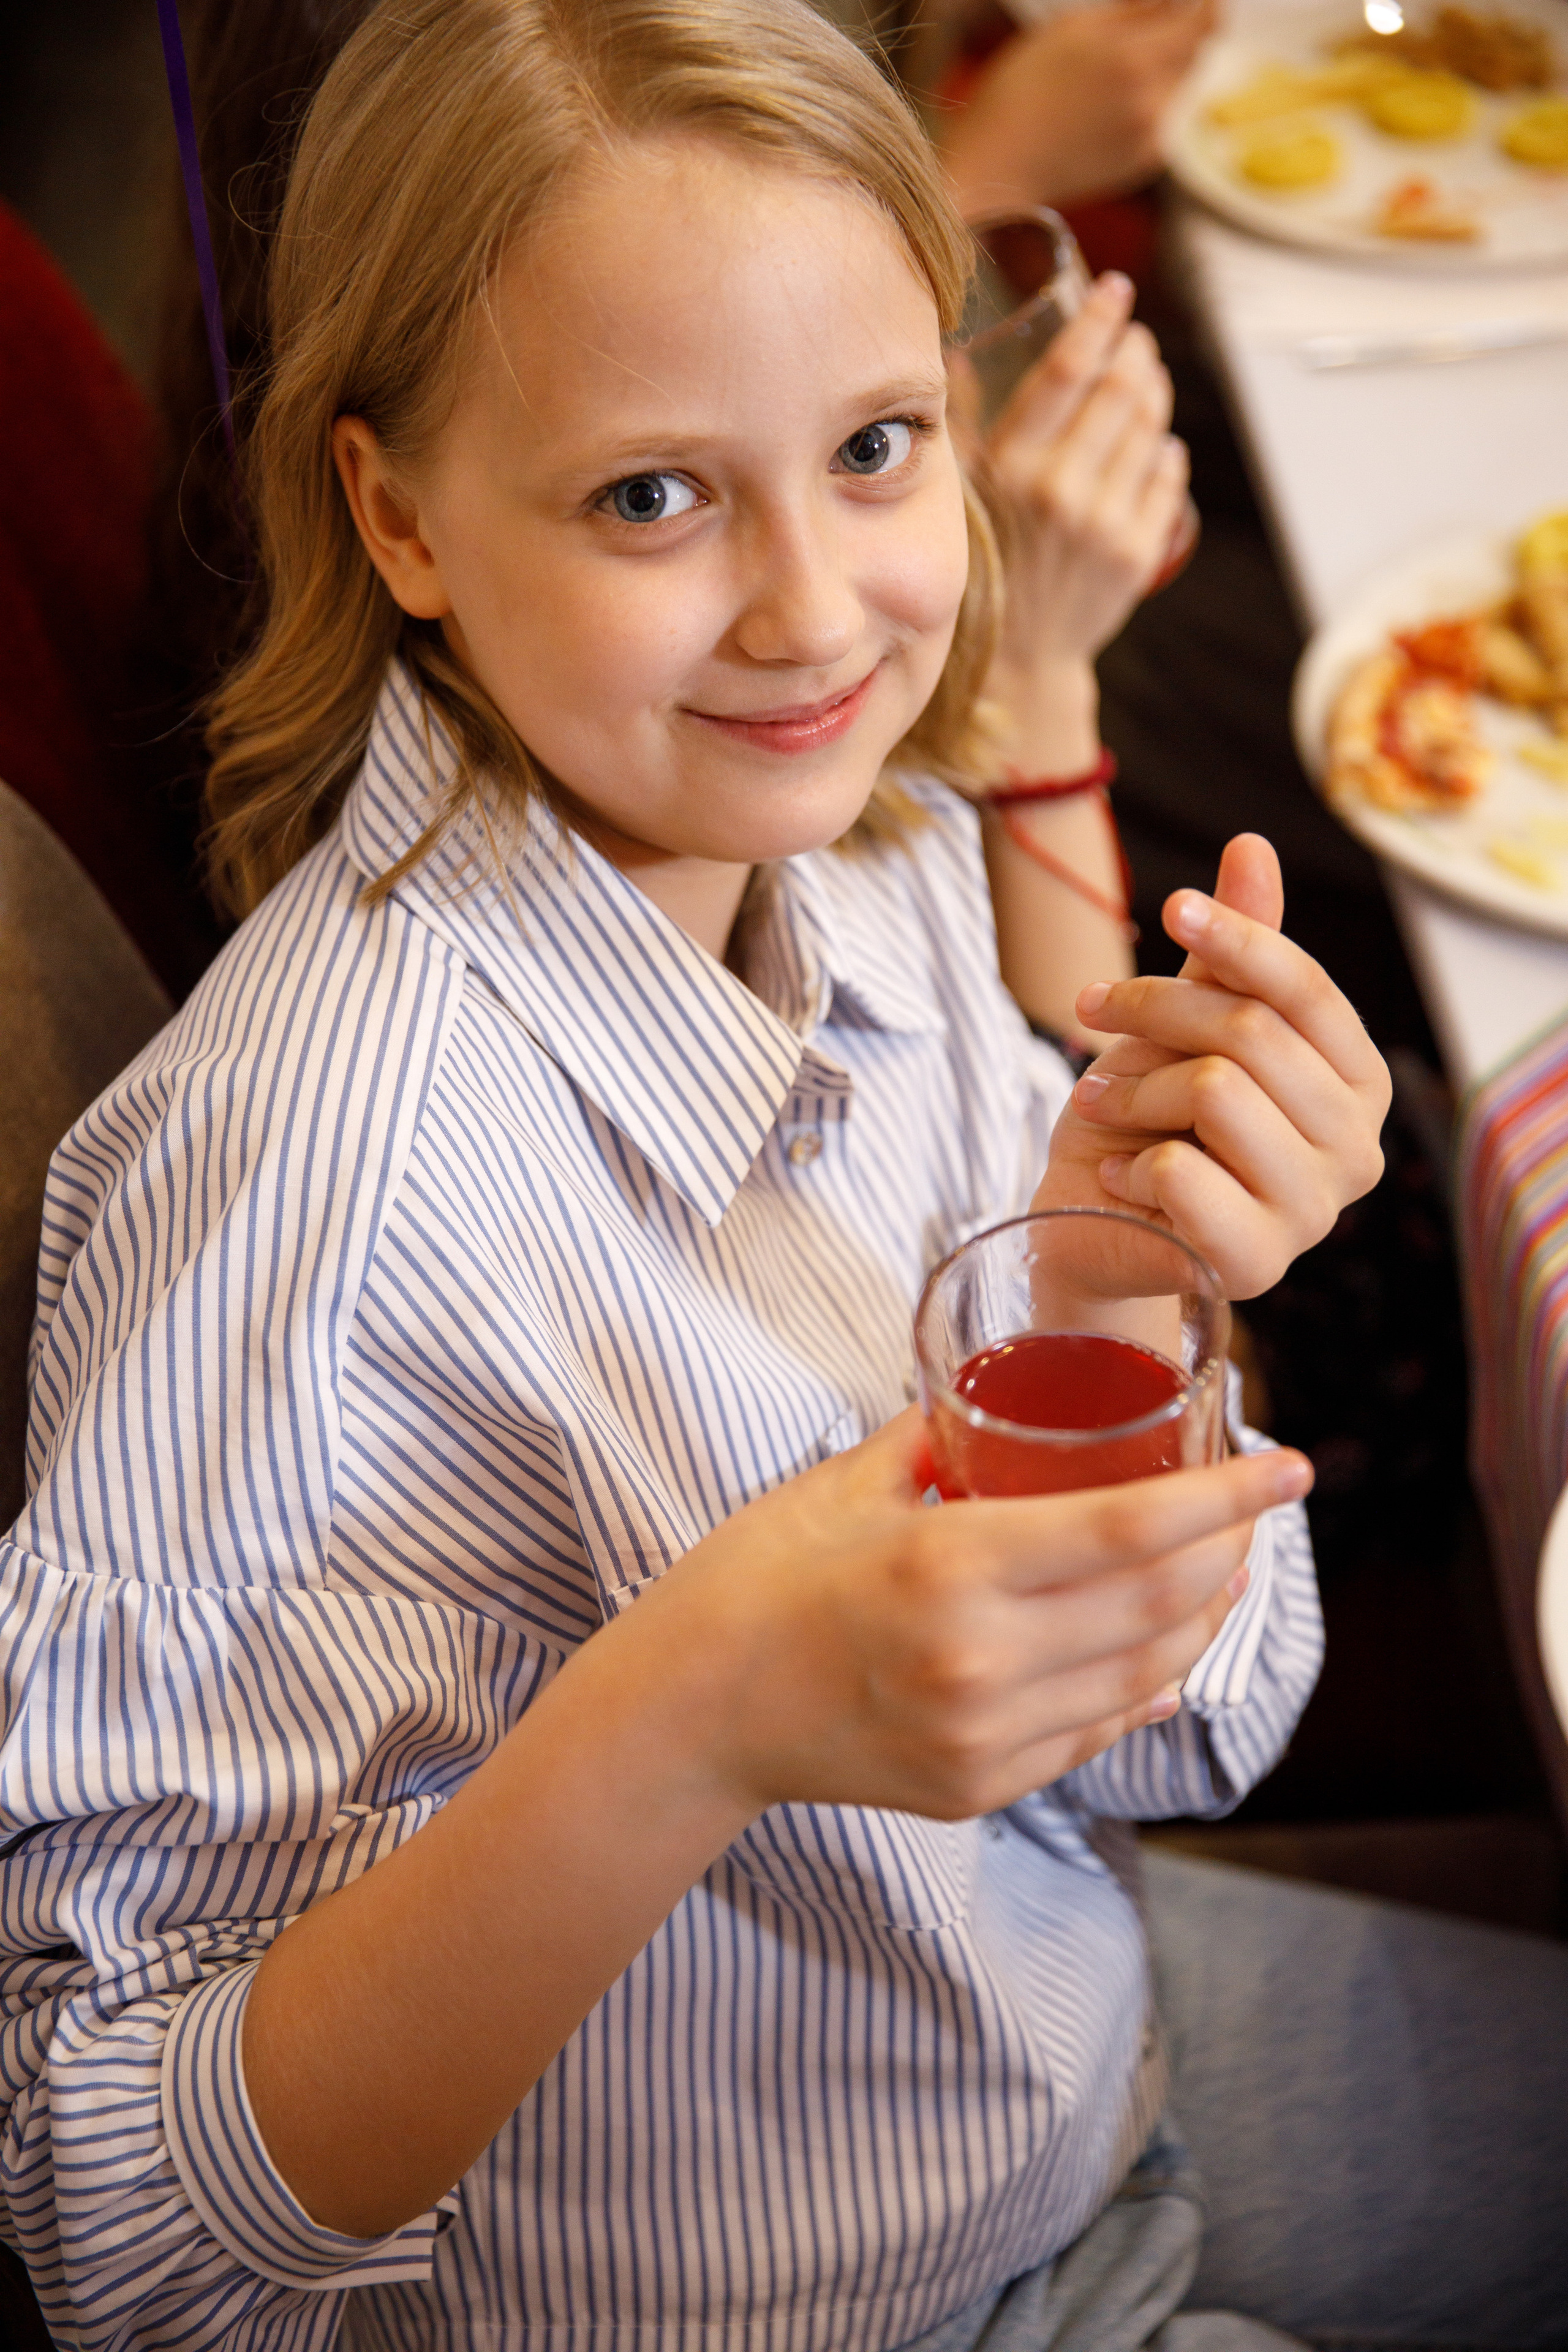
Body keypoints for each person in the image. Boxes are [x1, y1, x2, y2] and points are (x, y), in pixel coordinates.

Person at [0, 6, 1560, 2350]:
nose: (820, 612)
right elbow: (113, 2225)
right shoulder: (317, 1187)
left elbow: (1167, 1732)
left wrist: (1128, 1277)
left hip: (1054, 2033)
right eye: (653, 495)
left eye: (873, 447)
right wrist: (689, 1712)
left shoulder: (891, 858)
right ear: (398, 516)